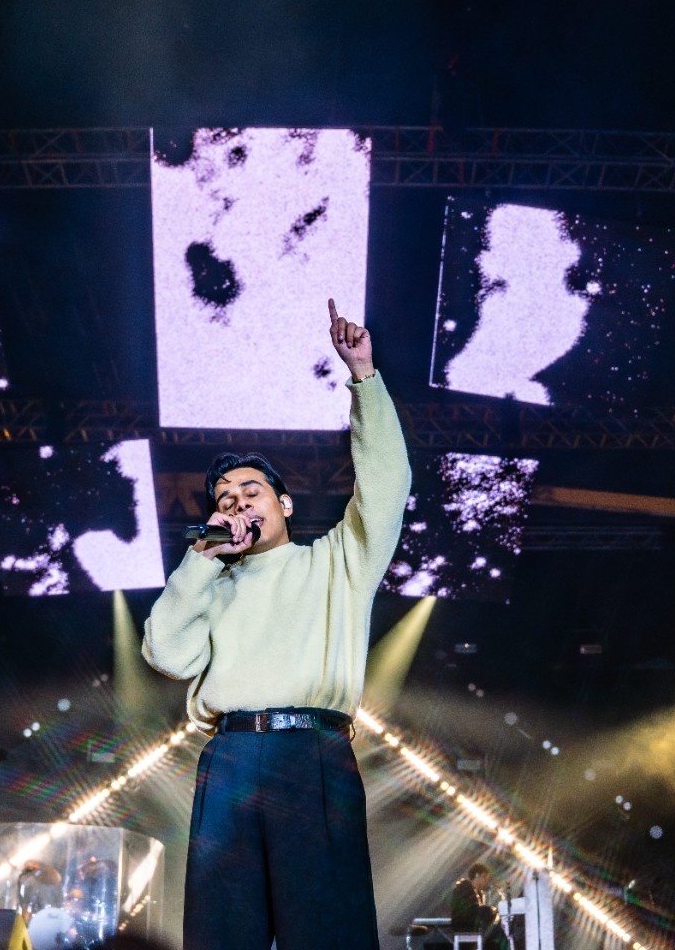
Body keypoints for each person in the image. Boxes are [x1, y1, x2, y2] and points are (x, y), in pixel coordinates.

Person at [142, 298, 412, 950]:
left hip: (312, 752)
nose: (236, 503)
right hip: (230, 755)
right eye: (225, 499)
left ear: (284, 504)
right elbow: (165, 653)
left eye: (250, 493)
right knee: (222, 929)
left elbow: (386, 484)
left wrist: (364, 377)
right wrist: (203, 557)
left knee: (325, 929)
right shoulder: (211, 583)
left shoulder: (335, 561)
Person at [450, 862, 512, 950]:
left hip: (472, 929)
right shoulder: (464, 889)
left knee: (499, 935)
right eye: (485, 878)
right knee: (499, 937)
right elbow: (472, 911)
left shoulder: (476, 892)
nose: (486, 882)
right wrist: (491, 910)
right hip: (466, 929)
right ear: (478, 875)